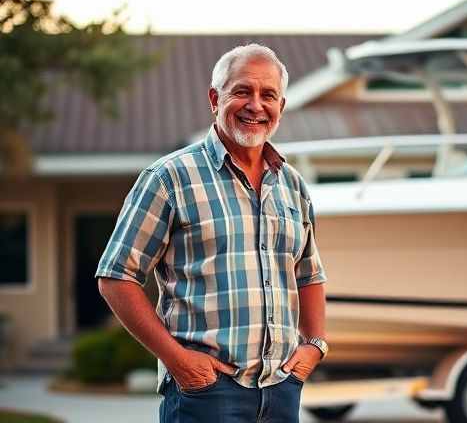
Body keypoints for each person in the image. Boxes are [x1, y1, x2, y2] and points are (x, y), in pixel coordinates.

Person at [96, 44, 328, 423]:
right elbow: (116, 277)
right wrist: (178, 361)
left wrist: (315, 346)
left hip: (281, 391)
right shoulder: (169, 178)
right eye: (242, 91)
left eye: (268, 95)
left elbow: (310, 273)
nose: (256, 105)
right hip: (205, 394)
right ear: (214, 99)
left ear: (281, 108)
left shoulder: (293, 185)